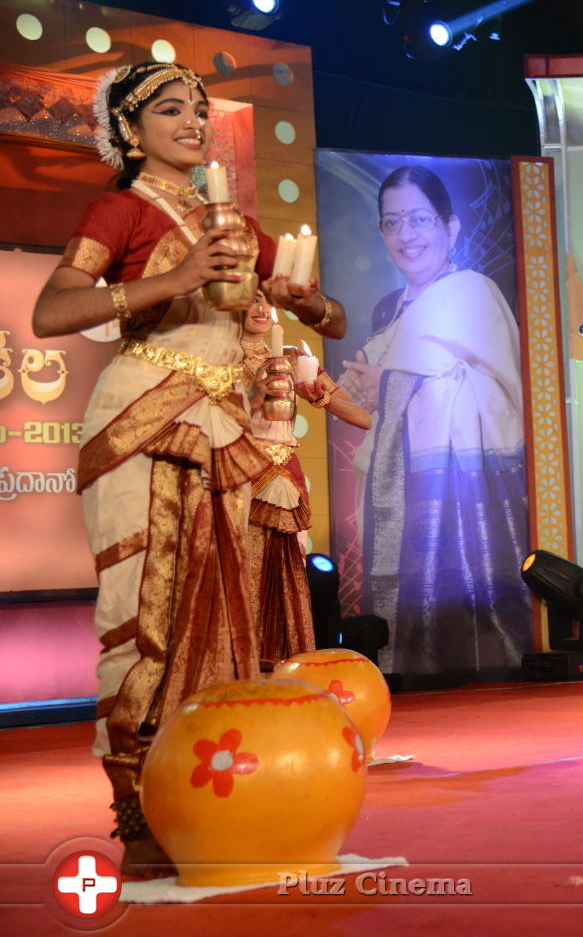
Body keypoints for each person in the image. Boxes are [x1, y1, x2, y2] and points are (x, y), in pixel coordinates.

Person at [30, 61, 349, 874]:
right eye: (171, 110)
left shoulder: (234, 223)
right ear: (130, 132)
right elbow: (52, 308)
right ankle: (137, 807)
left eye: (201, 111)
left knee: (224, 606)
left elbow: (332, 316)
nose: (194, 122)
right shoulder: (119, 208)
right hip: (144, 416)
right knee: (145, 610)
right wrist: (174, 279)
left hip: (226, 432)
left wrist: (303, 299)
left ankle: (213, 795)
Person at [338, 165, 531, 676]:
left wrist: (393, 385)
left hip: (461, 491)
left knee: (462, 622)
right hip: (397, 486)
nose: (405, 235)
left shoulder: (472, 292)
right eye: (392, 222)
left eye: (419, 219)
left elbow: (500, 396)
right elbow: (381, 423)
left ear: (450, 228)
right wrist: (339, 395)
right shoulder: (389, 311)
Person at [240, 292, 370, 665]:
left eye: (266, 301)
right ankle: (243, 664)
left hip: (287, 476)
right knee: (244, 569)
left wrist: (321, 398)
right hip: (244, 471)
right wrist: (254, 396)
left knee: (288, 569)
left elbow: (363, 418)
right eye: (251, 301)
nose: (262, 309)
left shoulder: (293, 359)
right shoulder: (223, 362)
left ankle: (287, 661)